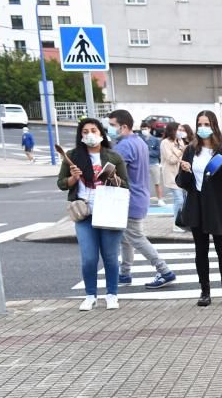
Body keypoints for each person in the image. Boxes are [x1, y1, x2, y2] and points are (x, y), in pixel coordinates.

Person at [58, 118, 129, 311]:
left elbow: (126, 185)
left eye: (94, 130)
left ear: (101, 133)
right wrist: (73, 178)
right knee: (89, 257)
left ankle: (112, 294)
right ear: (80, 135)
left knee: (110, 256)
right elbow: (61, 183)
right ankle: (90, 295)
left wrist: (113, 177)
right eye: (85, 131)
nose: (90, 134)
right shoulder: (72, 156)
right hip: (84, 212)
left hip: (108, 211)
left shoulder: (113, 156)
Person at [107, 110, 177, 290]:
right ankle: (124, 273)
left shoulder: (123, 147)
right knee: (126, 238)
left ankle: (164, 271)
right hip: (140, 195)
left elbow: (110, 173)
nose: (110, 128)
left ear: (123, 126)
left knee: (135, 237)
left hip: (129, 198)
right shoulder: (139, 142)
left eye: (112, 125)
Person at [176, 110, 222, 307]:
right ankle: (205, 291)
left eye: (206, 124)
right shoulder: (190, 150)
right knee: (200, 250)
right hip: (196, 205)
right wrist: (185, 171)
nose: (202, 128)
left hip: (218, 206)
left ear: (214, 126)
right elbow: (182, 182)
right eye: (199, 124)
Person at [160, 122, 187, 233]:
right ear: (172, 130)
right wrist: (182, 150)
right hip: (171, 174)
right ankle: (176, 224)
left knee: (184, 198)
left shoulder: (180, 141)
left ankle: (183, 220)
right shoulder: (165, 143)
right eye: (179, 129)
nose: (181, 132)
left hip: (181, 173)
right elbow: (171, 159)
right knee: (179, 199)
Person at [140, 124, 164, 206]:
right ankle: (145, 200)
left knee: (157, 182)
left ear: (149, 129)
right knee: (143, 183)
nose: (144, 130)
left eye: (145, 128)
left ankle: (160, 199)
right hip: (143, 164)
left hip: (154, 163)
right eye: (142, 128)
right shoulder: (139, 139)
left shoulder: (155, 140)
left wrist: (148, 152)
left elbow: (158, 153)